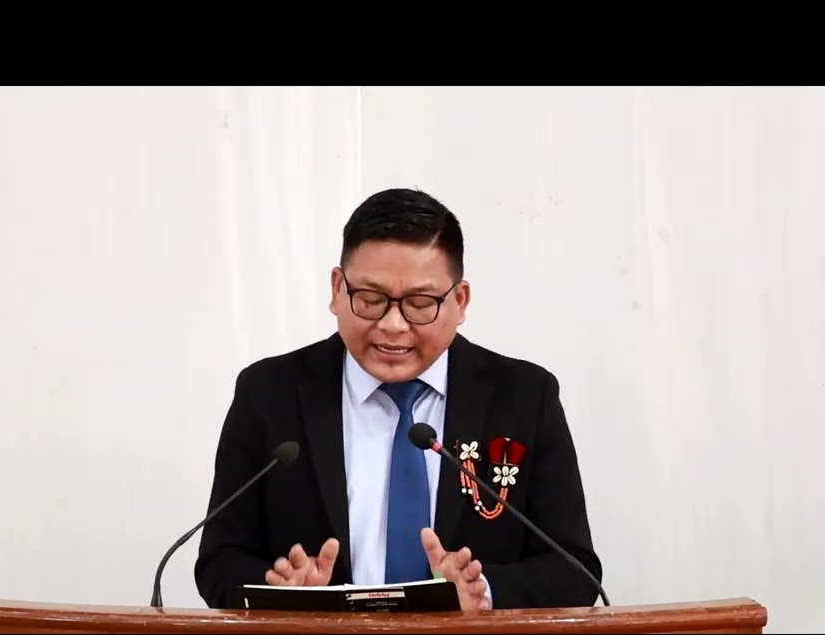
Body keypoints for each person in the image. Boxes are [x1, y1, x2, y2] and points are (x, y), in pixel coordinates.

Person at [193, 187, 602, 611]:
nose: (392, 325)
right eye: (370, 299)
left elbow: (575, 571)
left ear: (460, 301)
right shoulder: (268, 393)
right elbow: (219, 561)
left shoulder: (525, 398)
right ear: (337, 289)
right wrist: (279, 592)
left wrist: (483, 592)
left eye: (420, 304)